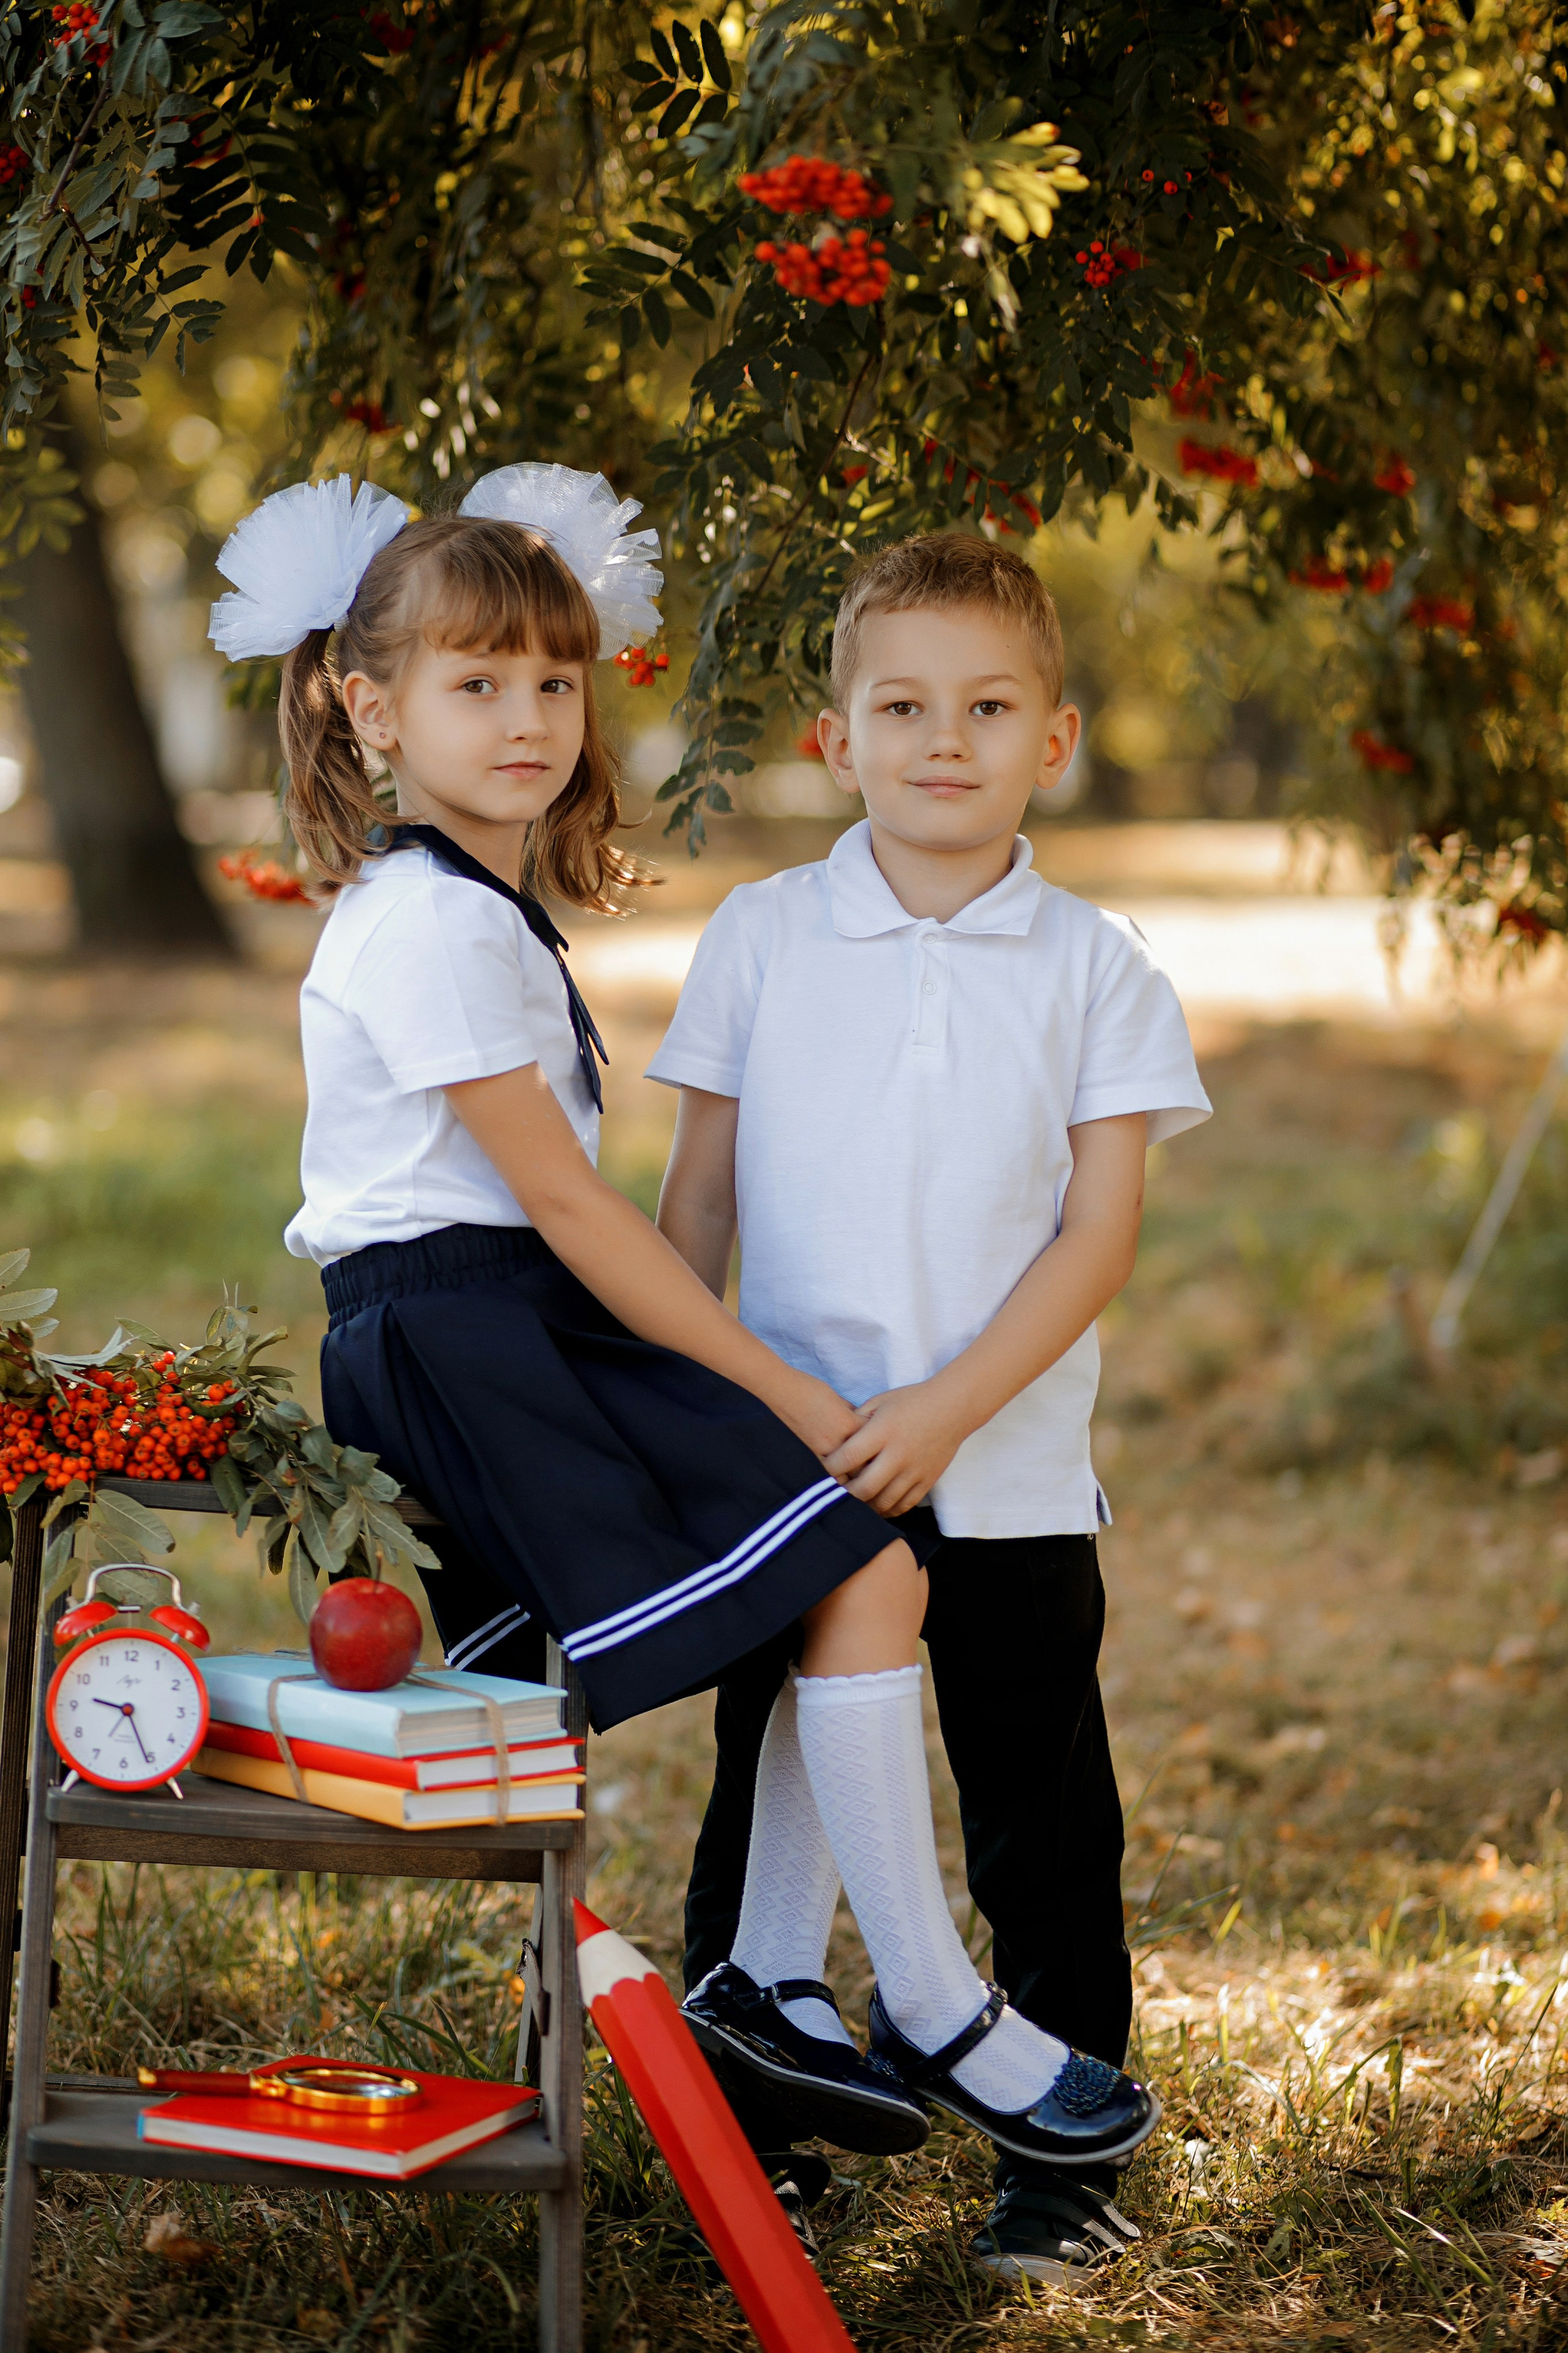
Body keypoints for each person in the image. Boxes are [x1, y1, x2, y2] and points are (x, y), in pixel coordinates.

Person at [206, 467, 1159, 2180]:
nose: (527, 720)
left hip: (517, 1317)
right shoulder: (421, 915)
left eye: (553, 685)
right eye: (476, 685)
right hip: (473, 1333)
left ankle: (770, 1980)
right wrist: (768, 1378)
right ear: (369, 706)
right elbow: (576, 1213)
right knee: (849, 1557)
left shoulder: (474, 904)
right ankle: (921, 1998)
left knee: (845, 1568)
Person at [650, 533, 1211, 2278]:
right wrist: (705, 1418)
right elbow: (697, 1203)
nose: (942, 740)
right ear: (838, 739)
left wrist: (958, 1407)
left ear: (1054, 737)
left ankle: (1057, 2148)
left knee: (1042, 1812)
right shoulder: (762, 931)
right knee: (775, 1788)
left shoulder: (1095, 961)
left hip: (1014, 1470)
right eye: (902, 706)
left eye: (986, 707)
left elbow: (1098, 1232)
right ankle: (764, 2127)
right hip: (800, 1471)